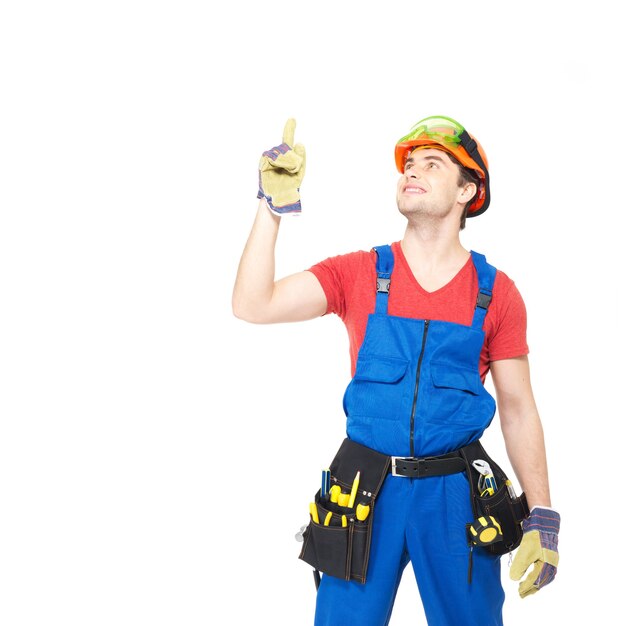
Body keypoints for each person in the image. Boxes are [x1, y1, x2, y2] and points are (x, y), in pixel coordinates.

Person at [232, 116, 560, 626]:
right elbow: (254, 303)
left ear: (467, 191)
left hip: (455, 496)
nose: (413, 172)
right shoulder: (360, 273)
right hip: (363, 488)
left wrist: (542, 516)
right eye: (409, 164)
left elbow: (518, 410)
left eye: (433, 164)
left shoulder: (496, 293)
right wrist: (270, 208)